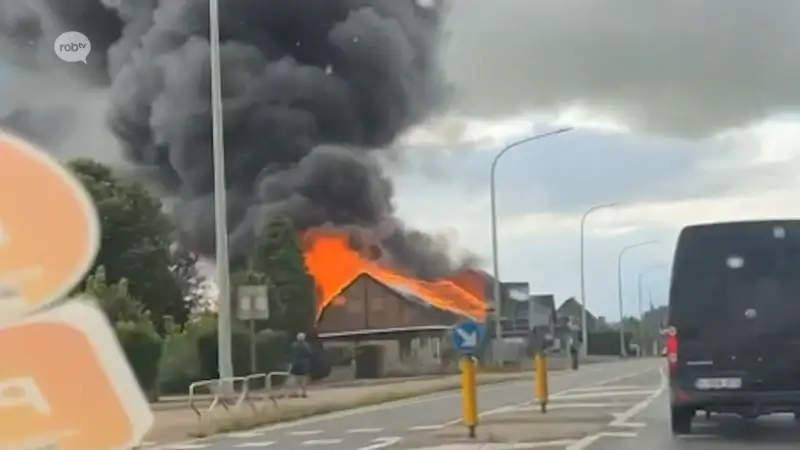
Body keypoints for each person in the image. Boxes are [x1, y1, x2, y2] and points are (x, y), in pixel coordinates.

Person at [289, 332, 312, 398]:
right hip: (304, 364)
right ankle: (304, 392)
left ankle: (294, 392)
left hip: (295, 363)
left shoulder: (294, 345)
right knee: (303, 379)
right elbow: (309, 353)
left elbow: (291, 354)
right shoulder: (306, 345)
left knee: (294, 379)